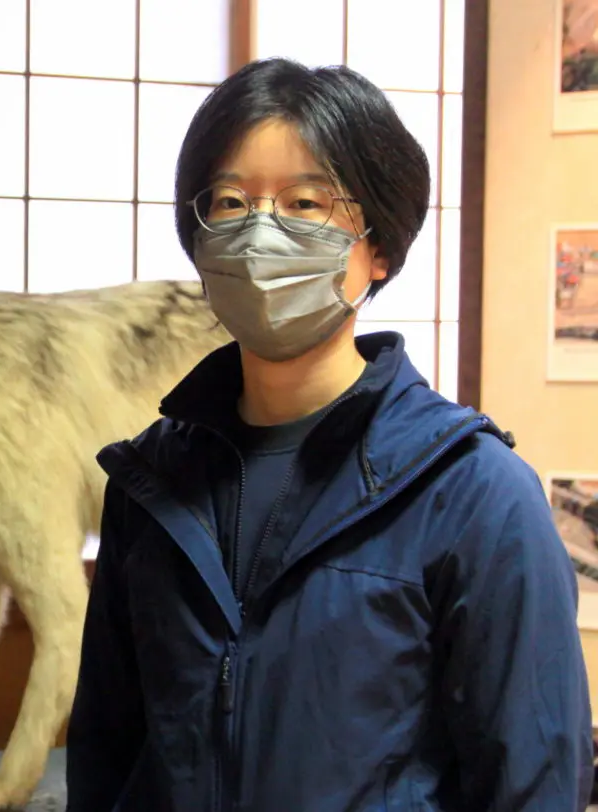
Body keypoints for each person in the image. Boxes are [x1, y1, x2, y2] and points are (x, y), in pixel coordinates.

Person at [65, 57, 594, 811]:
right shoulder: (151, 484)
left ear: (378, 246)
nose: (260, 233)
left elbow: (532, 780)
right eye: (229, 201)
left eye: (306, 203)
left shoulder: (474, 494)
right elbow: (105, 756)